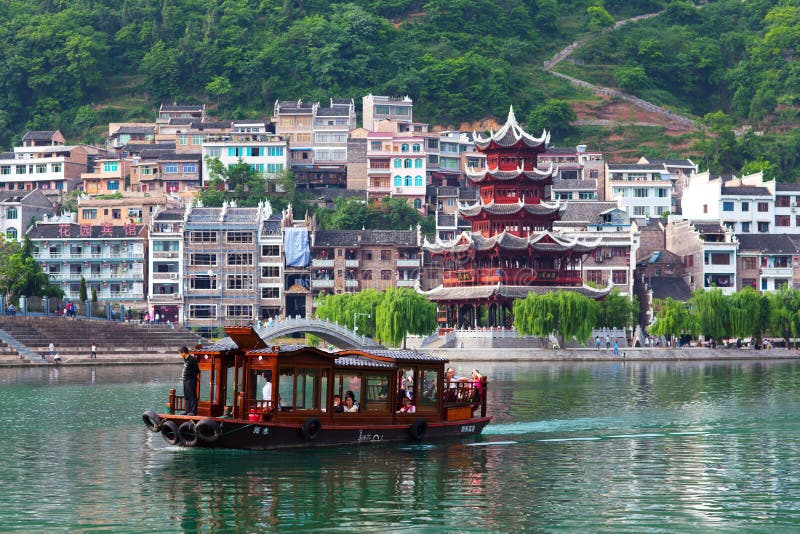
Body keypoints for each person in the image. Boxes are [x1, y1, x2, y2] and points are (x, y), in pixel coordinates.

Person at [180, 346, 200, 416]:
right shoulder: (185, 359)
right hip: (185, 380)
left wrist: (191, 377)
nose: (180, 355)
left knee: (192, 396)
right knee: (187, 396)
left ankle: (194, 412)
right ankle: (187, 410)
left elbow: (197, 370)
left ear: (184, 352)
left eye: (180, 353)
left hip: (190, 380)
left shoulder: (192, 359)